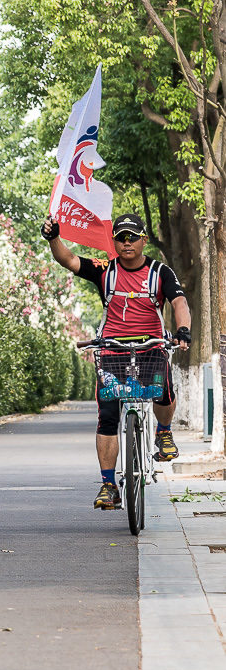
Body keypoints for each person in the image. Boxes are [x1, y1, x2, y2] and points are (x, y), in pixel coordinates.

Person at [41, 212, 191, 510]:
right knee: (108, 416)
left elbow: (179, 302)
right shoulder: (104, 270)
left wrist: (183, 330)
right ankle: (109, 484)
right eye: (121, 238)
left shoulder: (161, 272)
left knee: (164, 392)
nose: (126, 243)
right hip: (111, 350)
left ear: (143, 240)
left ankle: (163, 433)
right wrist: (53, 237)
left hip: (150, 347)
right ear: (114, 242)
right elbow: (69, 260)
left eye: (132, 237)